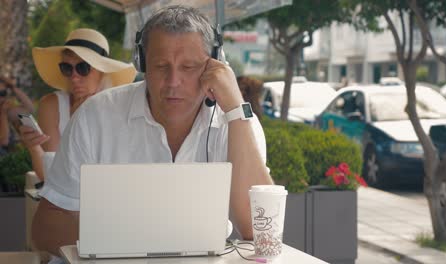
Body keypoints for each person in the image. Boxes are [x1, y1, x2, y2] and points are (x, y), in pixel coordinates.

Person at [32, 5, 273, 256]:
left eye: (188, 67)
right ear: (142, 62)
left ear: (215, 64)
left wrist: (236, 110)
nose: (173, 82)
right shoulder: (96, 116)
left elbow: (259, 232)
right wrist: (116, 247)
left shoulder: (236, 121)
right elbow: (45, 227)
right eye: (160, 66)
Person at [19, 28, 137, 181]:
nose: (74, 76)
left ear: (102, 71)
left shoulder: (118, 107)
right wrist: (34, 147)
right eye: (67, 68)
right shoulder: (51, 105)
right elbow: (49, 176)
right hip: (63, 198)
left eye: (83, 68)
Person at [0, 76, 34, 156]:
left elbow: (29, 110)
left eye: (3, 93)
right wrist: (3, 114)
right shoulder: (4, 111)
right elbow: (4, 141)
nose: (1, 98)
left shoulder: (4, 109)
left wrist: (13, 87)